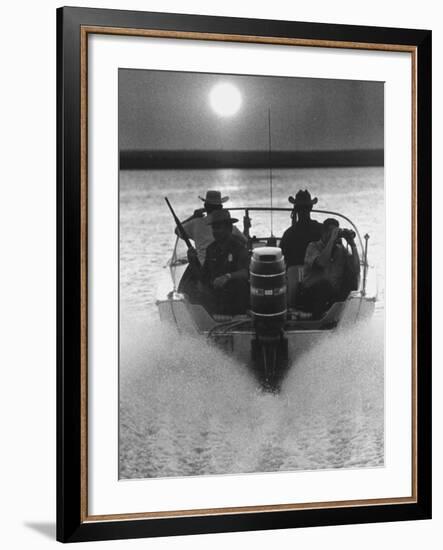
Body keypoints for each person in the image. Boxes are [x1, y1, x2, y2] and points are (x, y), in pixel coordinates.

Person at [188, 209, 249, 316]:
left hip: (236, 297)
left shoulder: (239, 247)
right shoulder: (211, 249)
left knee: (239, 286)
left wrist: (227, 277)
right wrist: (193, 261)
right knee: (192, 292)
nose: (215, 231)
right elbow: (204, 278)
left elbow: (246, 272)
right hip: (216, 297)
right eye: (213, 228)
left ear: (229, 228)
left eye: (218, 228)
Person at [299, 218, 360, 318]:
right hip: (310, 296)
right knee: (324, 284)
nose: (334, 235)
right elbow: (321, 263)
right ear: (323, 232)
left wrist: (352, 244)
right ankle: (317, 319)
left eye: (335, 232)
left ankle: (340, 316)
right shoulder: (313, 247)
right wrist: (331, 240)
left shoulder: (340, 250)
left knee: (351, 280)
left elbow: (356, 270)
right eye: (331, 232)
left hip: (331, 297)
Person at [176, 190, 246, 265]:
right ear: (221, 207)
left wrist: (193, 217)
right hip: (222, 266)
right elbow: (245, 241)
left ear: (205, 207)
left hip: (202, 266)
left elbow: (177, 230)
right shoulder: (228, 227)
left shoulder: (195, 223)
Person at [279, 190, 322, 307]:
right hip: (315, 274)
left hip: (293, 275)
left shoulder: (288, 234)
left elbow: (282, 259)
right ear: (311, 208)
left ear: (295, 209)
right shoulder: (320, 229)